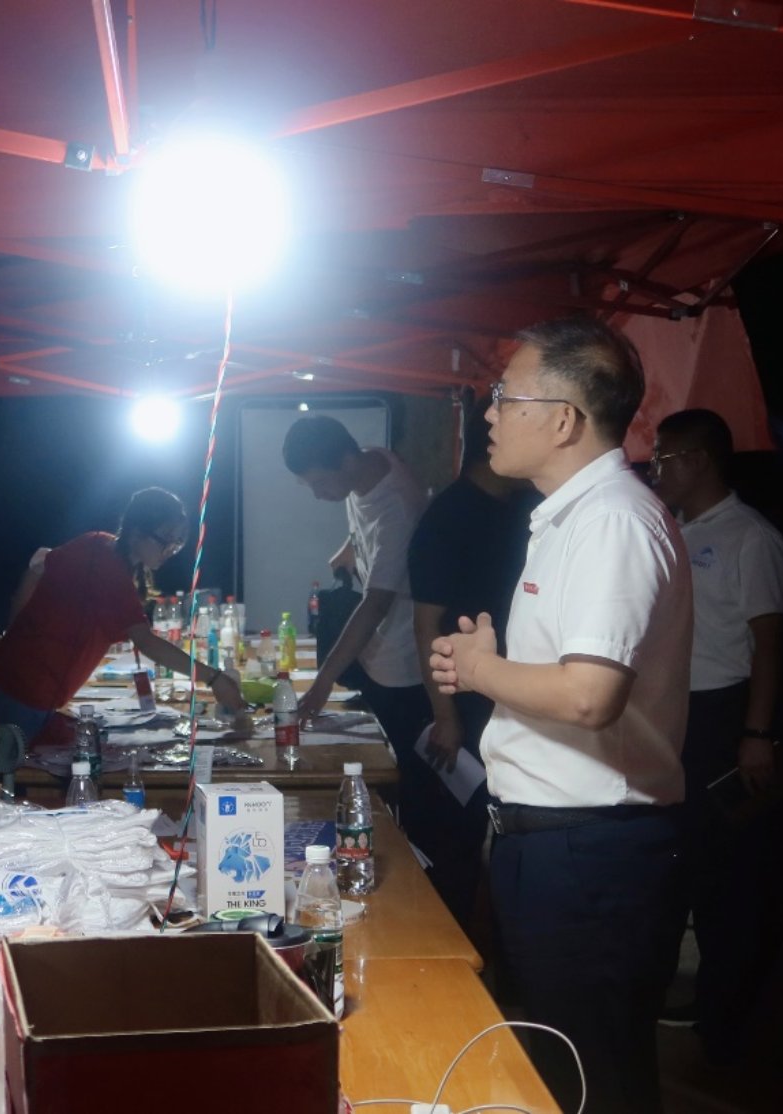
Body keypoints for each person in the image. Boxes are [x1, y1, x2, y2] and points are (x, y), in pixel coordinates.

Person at [431, 316, 692, 1114]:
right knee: (563, 1063)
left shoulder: (611, 519)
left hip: (591, 847)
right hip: (558, 840)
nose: (489, 413)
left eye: (505, 396)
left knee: (593, 1073)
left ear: (563, 420)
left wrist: (480, 669)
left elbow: (587, 694)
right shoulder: (573, 516)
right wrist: (489, 669)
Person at [650, 407, 783, 1063]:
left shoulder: (750, 537)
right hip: (677, 711)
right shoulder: (675, 530)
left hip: (725, 711)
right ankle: (706, 996)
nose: (655, 471)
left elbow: (769, 643)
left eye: (664, 458)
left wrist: (756, 731)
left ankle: (731, 1017)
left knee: (730, 870)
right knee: (686, 860)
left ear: (698, 460)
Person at [408, 398, 537, 925]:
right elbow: (426, 624)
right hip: (464, 692)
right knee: (457, 832)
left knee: (504, 823)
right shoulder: (448, 516)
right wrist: (445, 715)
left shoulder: (529, 506)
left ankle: (493, 933)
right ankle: (453, 941)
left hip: (518, 686)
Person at [0, 487, 245, 742]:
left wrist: (15, 631)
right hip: (25, 688)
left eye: (177, 542)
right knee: (30, 766)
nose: (169, 549)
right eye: (165, 539)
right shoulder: (109, 567)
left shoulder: (99, 544)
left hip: (27, 681)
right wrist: (213, 678)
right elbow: (146, 642)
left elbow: (38, 565)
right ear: (136, 532)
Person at [281, 416, 431, 821]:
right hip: (375, 652)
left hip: (403, 664)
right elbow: (365, 535)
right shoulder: (368, 464)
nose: (318, 495)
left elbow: (375, 604)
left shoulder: (396, 506)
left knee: (397, 778)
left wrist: (323, 681)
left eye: (319, 483)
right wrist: (349, 549)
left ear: (346, 461)